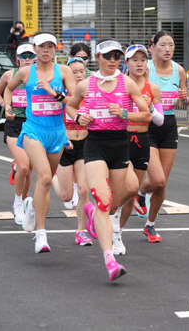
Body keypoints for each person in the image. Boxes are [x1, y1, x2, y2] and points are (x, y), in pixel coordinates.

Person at [65, 40, 151, 281]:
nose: (113, 60)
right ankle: (109, 260)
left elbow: (146, 113)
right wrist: (80, 115)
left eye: (117, 56)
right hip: (95, 145)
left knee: (113, 202)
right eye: (108, 55)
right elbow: (71, 107)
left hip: (120, 145)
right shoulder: (85, 85)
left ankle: (93, 216)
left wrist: (125, 113)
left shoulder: (127, 83)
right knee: (103, 200)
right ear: (97, 57)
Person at [4, 32, 75, 254]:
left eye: (50, 47)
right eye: (42, 46)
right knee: (44, 177)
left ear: (55, 49)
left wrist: (52, 92)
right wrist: (7, 106)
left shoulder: (64, 72)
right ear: (35, 48)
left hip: (56, 132)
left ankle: (32, 209)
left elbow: (74, 100)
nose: (46, 50)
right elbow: (8, 88)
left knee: (45, 182)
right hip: (33, 130)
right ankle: (41, 234)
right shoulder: (26, 72)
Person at [112, 44, 164, 255]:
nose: (140, 63)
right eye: (135, 60)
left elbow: (159, 120)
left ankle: (118, 231)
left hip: (143, 139)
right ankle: (110, 217)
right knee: (129, 186)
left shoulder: (153, 88)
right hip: (122, 138)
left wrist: (149, 107)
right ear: (127, 63)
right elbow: (113, 113)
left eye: (143, 59)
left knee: (134, 191)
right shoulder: (118, 85)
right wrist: (128, 114)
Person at [137, 30, 189, 243]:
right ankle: (138, 191)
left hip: (168, 125)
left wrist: (185, 99)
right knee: (156, 178)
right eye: (163, 45)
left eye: (171, 45)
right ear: (152, 47)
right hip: (147, 123)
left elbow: (184, 101)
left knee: (161, 183)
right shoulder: (145, 69)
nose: (168, 49)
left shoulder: (179, 70)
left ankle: (150, 224)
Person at [0, 43, 36, 226]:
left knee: (29, 170)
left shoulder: (40, 76)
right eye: (23, 56)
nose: (27, 60)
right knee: (24, 166)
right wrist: (6, 105)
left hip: (34, 125)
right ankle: (17, 202)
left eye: (30, 56)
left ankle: (25, 198)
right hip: (14, 124)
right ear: (17, 59)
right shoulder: (9, 75)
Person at [55, 56, 94, 247]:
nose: (79, 75)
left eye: (82, 71)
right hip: (65, 144)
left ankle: (81, 231)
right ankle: (51, 175)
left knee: (85, 189)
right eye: (74, 72)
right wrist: (62, 138)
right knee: (66, 196)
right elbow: (53, 119)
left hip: (84, 144)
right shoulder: (60, 93)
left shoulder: (91, 92)